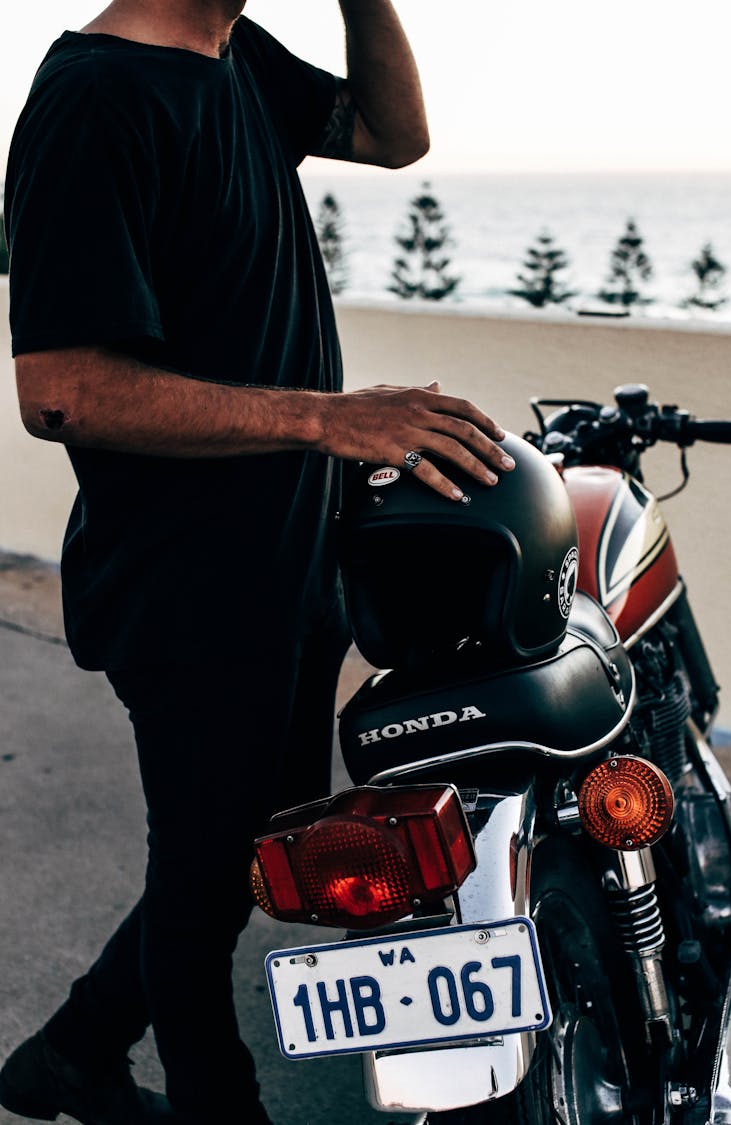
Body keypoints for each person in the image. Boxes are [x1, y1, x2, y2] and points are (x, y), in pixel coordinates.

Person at [0, 1, 516, 1122]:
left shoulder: (233, 57)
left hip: (289, 563)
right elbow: (62, 388)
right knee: (198, 892)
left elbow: (392, 136)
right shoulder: (94, 101)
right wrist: (328, 418)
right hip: (184, 585)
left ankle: (72, 1051)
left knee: (245, 853)